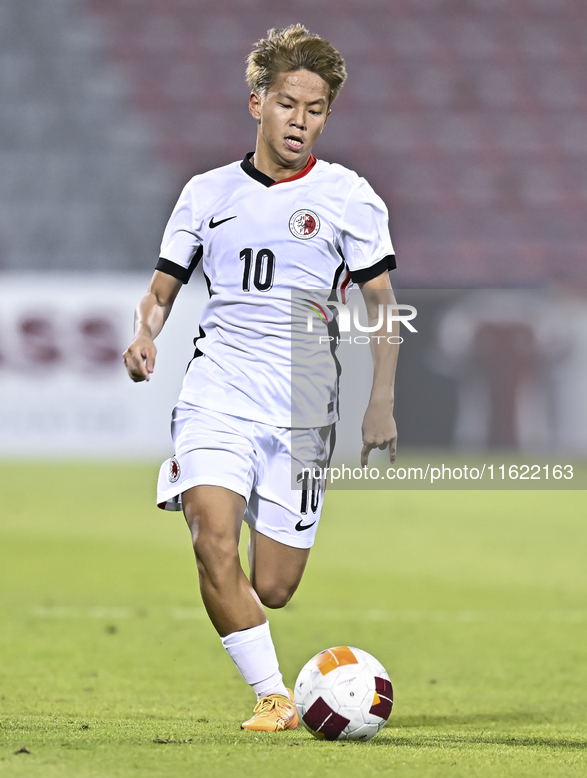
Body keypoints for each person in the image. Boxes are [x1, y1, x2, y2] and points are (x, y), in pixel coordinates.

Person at [123, 24, 399, 732]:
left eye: (314, 109)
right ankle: (273, 696)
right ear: (256, 103)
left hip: (305, 407)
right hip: (218, 394)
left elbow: (381, 306)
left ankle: (245, 497)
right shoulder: (205, 193)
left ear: (326, 115)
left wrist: (380, 401)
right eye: (286, 104)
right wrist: (145, 333)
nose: (299, 120)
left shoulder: (349, 198)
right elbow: (161, 288)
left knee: (273, 586)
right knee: (210, 538)